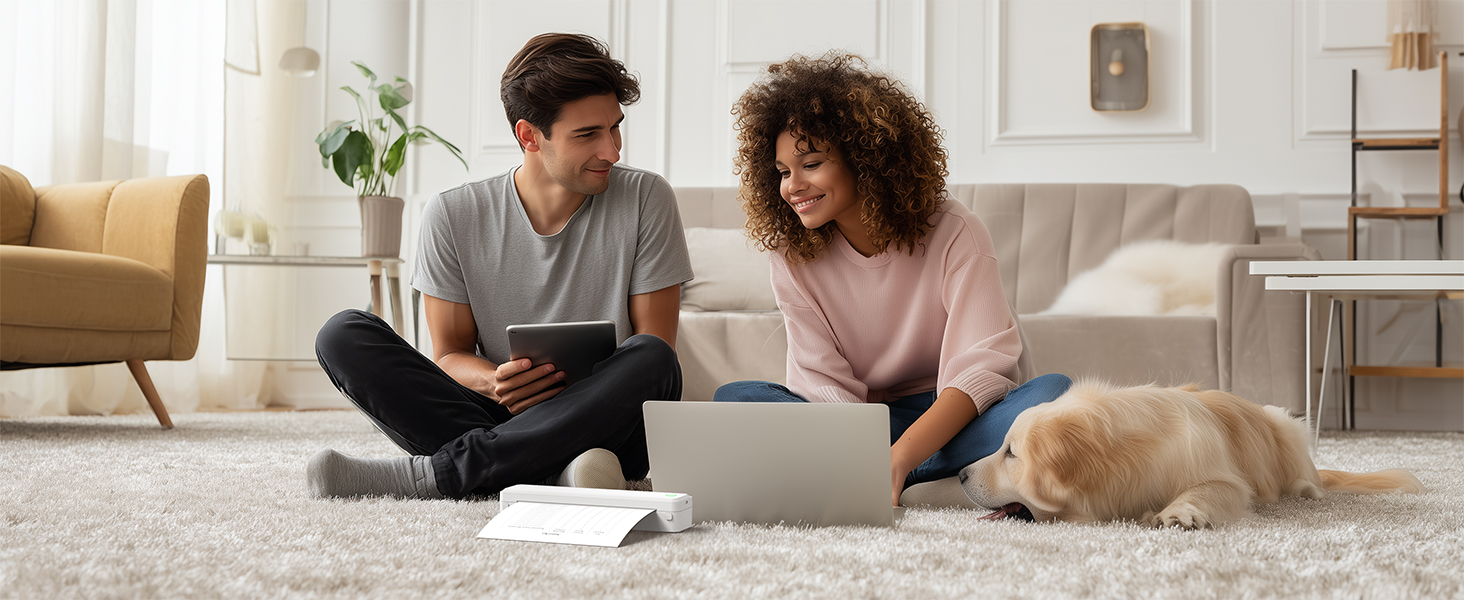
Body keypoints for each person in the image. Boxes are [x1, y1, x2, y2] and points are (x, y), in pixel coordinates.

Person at [307, 33, 693, 500]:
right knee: (342, 334)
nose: (612, 150)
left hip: (607, 423)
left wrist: (575, 399)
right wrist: (494, 382)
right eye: (588, 134)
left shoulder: (647, 198)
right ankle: (560, 474)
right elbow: (449, 355)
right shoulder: (453, 215)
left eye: (615, 127)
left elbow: (652, 350)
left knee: (654, 359)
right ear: (529, 135)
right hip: (498, 415)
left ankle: (441, 475)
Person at [715, 53, 1072, 507]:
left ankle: (896, 474)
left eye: (811, 163)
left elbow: (980, 371)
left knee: (1052, 393)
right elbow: (821, 381)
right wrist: (869, 452)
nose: (792, 186)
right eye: (783, 172)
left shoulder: (954, 230)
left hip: (952, 419)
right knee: (736, 399)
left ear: (866, 158)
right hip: (858, 425)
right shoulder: (791, 255)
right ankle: (930, 482)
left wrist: (900, 456)